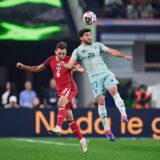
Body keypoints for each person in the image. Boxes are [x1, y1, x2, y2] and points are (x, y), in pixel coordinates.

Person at [61, 28, 133, 142]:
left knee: (114, 91)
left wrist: (124, 56)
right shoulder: (77, 51)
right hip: (94, 79)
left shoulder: (97, 45)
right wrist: (65, 65)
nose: (89, 37)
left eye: (90, 35)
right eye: (86, 35)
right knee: (101, 101)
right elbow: (70, 65)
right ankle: (107, 130)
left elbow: (111, 51)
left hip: (105, 73)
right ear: (81, 38)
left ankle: (124, 115)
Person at [16, 41, 89, 154]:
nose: (62, 56)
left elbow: (80, 68)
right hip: (61, 90)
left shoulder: (70, 59)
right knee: (69, 117)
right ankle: (83, 140)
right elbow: (38, 68)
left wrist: (79, 69)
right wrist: (24, 67)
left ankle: (58, 127)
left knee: (60, 104)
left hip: (70, 87)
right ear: (55, 52)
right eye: (60, 53)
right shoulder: (51, 60)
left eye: (64, 53)